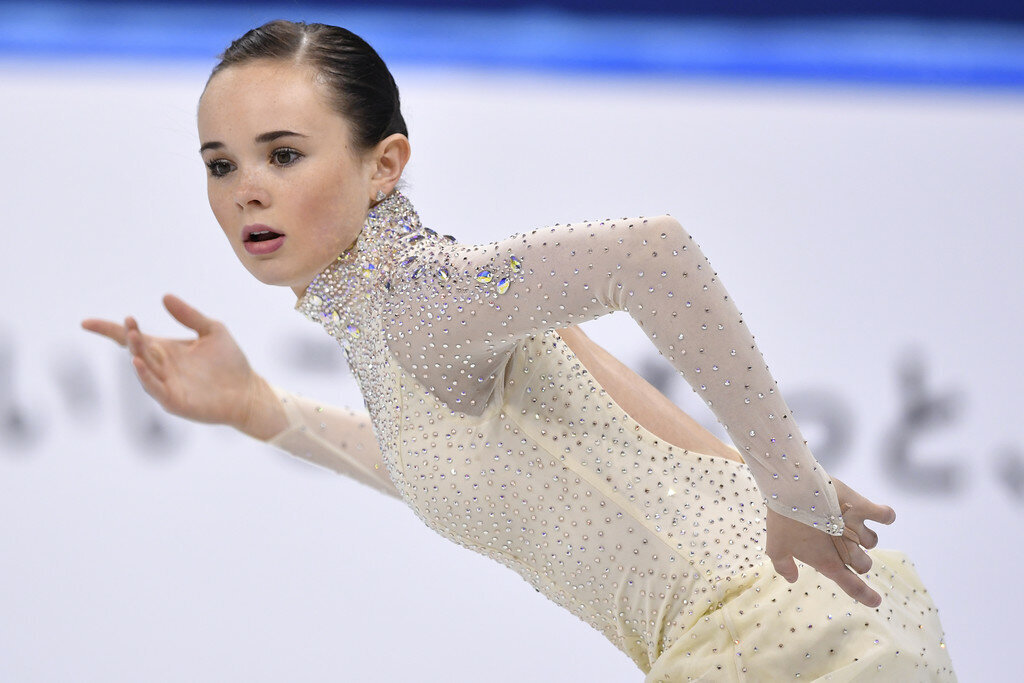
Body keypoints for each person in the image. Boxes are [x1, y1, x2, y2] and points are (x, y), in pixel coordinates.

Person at [82, 20, 955, 681]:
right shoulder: (401, 326)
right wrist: (258, 408)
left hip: (775, 633)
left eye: (282, 153)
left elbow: (649, 251)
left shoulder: (420, 300)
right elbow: (471, 467)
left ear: (384, 165)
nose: (247, 191)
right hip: (789, 622)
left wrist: (793, 485)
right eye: (220, 164)